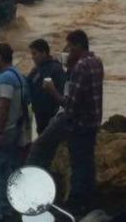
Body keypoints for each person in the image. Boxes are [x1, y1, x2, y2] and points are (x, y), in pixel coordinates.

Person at [26, 30, 103, 215]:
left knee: (76, 164)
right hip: (93, 121)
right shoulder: (96, 62)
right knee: (87, 162)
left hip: (78, 123)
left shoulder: (80, 67)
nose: (67, 51)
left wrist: (52, 90)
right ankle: (88, 202)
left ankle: (75, 204)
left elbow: (71, 105)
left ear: (77, 46)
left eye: (69, 47)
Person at [0, 42, 30, 222]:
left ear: (0, 57)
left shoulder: (6, 79)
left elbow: (5, 104)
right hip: (13, 132)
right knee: (6, 171)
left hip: (1, 133)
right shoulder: (18, 76)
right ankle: (6, 210)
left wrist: (0, 130)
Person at [27, 39, 66, 134]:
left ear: (44, 53)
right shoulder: (36, 70)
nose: (33, 57)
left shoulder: (56, 69)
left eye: (34, 54)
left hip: (52, 116)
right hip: (39, 115)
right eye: (32, 54)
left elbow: (62, 92)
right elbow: (26, 85)